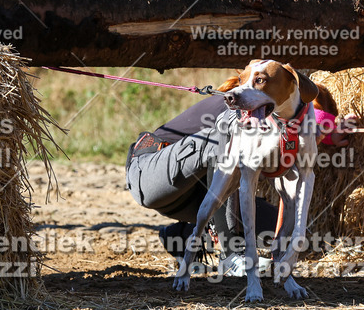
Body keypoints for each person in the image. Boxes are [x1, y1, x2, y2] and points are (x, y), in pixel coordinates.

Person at [125, 91, 351, 272]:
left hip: (190, 196)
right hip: (149, 171)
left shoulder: (276, 123)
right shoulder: (246, 103)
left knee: (279, 230)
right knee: (227, 140)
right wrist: (328, 128)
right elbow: (303, 121)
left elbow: (292, 141)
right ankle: (231, 255)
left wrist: (325, 135)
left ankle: (182, 236)